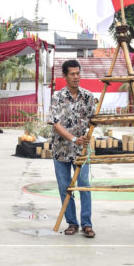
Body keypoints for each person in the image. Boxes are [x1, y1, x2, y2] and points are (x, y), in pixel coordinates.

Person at [49, 59, 96, 238]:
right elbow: (55, 123)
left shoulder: (88, 97)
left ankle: (86, 224)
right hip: (61, 150)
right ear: (65, 76)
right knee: (65, 187)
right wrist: (73, 138)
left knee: (84, 185)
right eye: (72, 74)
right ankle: (72, 223)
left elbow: (93, 121)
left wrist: (85, 137)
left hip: (81, 151)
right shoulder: (57, 97)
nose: (76, 77)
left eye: (78, 73)